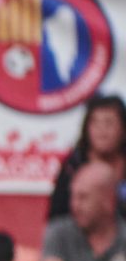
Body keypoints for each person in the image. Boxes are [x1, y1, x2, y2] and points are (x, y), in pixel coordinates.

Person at [43, 94, 126, 223]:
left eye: (109, 123)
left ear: (123, 129)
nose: (102, 130)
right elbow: (57, 217)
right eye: (95, 123)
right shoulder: (72, 166)